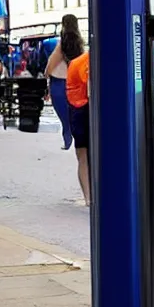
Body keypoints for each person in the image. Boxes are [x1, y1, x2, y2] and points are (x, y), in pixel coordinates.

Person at [45, 15, 84, 150]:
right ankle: (73, 134)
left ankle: (67, 134)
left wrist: (46, 74)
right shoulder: (79, 43)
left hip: (59, 82)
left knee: (62, 112)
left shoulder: (62, 44)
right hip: (74, 81)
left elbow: (51, 64)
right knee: (73, 111)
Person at [67, 50, 90, 206]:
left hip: (77, 110)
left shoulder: (77, 62)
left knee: (82, 156)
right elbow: (90, 90)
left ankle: (88, 197)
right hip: (87, 109)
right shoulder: (91, 63)